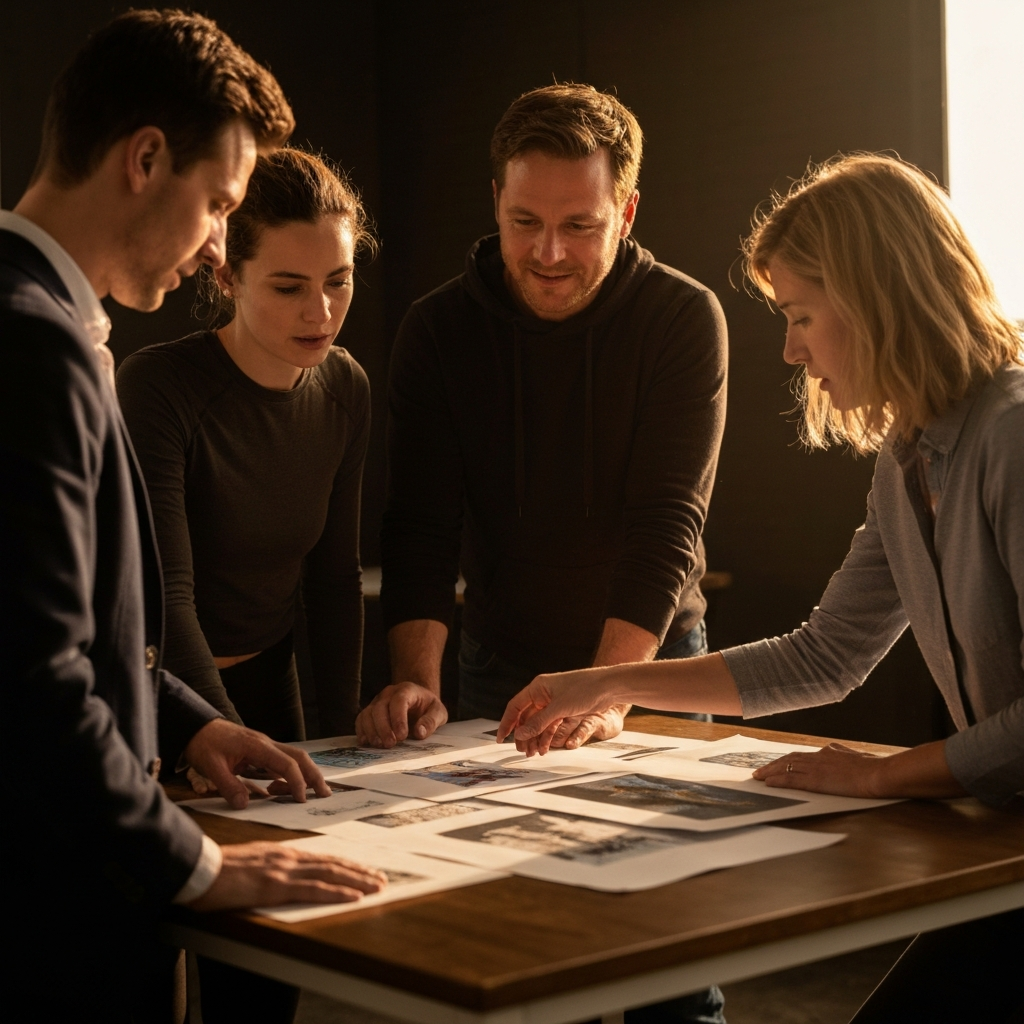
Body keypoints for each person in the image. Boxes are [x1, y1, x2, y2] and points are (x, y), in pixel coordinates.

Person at [498, 154, 1024, 1023]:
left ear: (877, 298)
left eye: (802, 316)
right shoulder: (906, 461)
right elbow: (825, 655)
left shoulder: (1010, 435)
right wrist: (604, 682)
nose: (791, 350)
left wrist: (887, 777)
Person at [0, 12, 384, 1023]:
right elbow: (32, 676)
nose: (218, 242)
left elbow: (91, 635)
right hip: (52, 921)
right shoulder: (29, 345)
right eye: (218, 202)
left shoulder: (56, 329)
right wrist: (200, 867)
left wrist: (195, 721)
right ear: (143, 159)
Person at [360, 82, 729, 1024]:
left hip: (650, 666)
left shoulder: (684, 320)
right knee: (503, 954)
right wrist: (414, 681)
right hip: (492, 664)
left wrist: (606, 689)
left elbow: (666, 525)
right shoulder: (438, 329)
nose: (549, 252)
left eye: (579, 224)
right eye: (526, 221)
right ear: (495, 202)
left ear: (628, 211)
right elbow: (419, 525)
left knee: (665, 954)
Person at [118, 148, 374, 752]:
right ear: (227, 275)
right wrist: (221, 732)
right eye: (289, 287)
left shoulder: (345, 388)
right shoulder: (158, 387)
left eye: (339, 281)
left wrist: (346, 745)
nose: (322, 312)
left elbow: (335, 581)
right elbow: (166, 594)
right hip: (164, 695)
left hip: (270, 682)